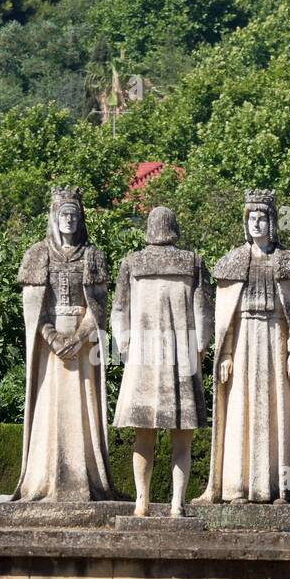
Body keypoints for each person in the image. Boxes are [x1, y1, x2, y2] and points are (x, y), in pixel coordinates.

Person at [196, 189, 290, 504]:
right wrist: (227, 353)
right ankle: (237, 487)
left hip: (274, 339)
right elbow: (226, 319)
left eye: (262, 218)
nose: (256, 224)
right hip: (245, 340)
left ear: (272, 222)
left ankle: (277, 487)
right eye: (252, 218)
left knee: (278, 412)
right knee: (240, 410)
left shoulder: (288, 263)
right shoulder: (232, 263)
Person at [4, 187, 116, 502]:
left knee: (83, 410)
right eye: (63, 214)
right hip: (49, 349)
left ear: (80, 219)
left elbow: (98, 309)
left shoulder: (92, 255)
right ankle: (44, 479)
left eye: (74, 214)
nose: (68, 219)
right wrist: (53, 338)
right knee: (48, 410)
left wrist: (78, 338)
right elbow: (33, 312)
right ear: (54, 217)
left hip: (82, 347)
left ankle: (84, 478)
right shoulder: (38, 254)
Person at [112, 206, 212, 516]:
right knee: (182, 440)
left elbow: (118, 311)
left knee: (144, 436)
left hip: (143, 360)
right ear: (174, 228)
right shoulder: (193, 263)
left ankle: (142, 502)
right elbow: (204, 314)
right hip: (182, 360)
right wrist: (200, 350)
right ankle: (176, 504)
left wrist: (125, 347)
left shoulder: (133, 262)